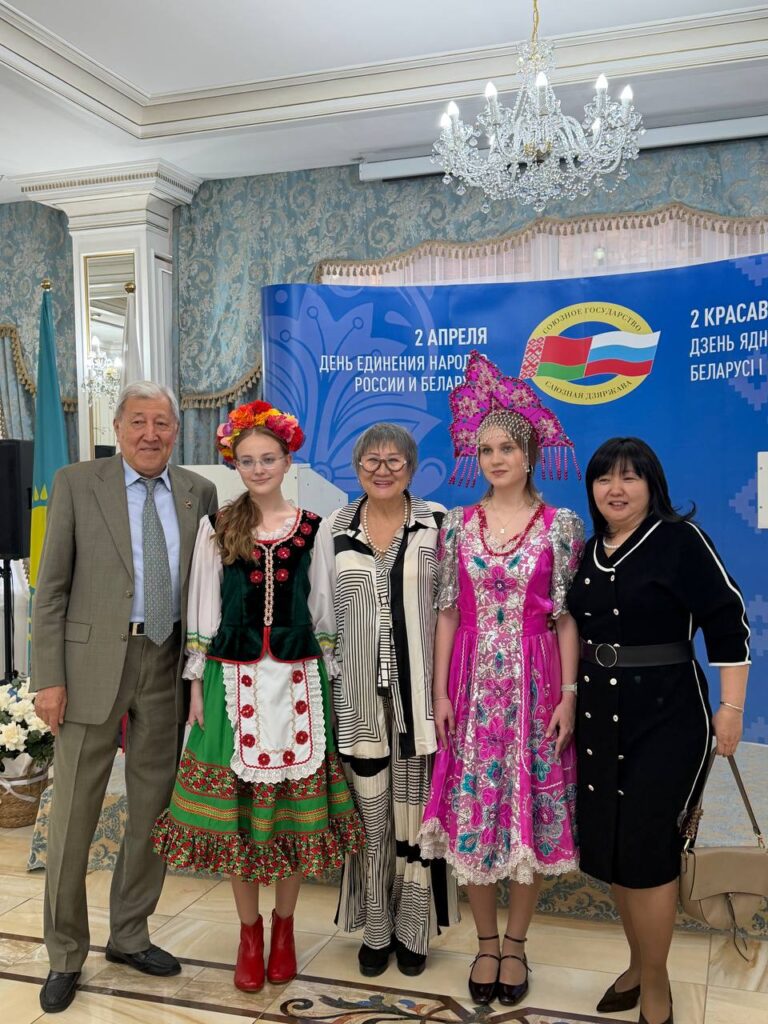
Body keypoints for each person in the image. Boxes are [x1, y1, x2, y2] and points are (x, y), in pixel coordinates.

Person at [151, 400, 364, 993]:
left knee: (292, 815)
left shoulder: (314, 529)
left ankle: (285, 927)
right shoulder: (217, 526)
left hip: (298, 684)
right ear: (235, 465)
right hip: (230, 683)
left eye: (269, 458)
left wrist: (330, 679)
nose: (259, 468)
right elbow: (203, 608)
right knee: (239, 818)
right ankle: (249, 932)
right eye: (248, 460)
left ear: (287, 461)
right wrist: (196, 685)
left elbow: (323, 610)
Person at [31, 381, 218, 1014]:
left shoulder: (199, 492)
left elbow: (207, 586)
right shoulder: (76, 483)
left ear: (176, 432)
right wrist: (48, 678)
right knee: (73, 817)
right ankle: (65, 952)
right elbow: (51, 590)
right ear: (118, 427)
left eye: (161, 423)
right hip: (88, 668)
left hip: (166, 665)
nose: (150, 434)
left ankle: (130, 934)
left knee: (153, 811)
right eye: (138, 421)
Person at [418, 352, 584, 1007]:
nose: (495, 459)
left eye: (507, 448)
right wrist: (439, 694)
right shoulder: (457, 525)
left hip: (537, 688)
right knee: (474, 818)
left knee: (528, 821)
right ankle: (484, 942)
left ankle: (516, 944)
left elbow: (567, 618)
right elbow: (447, 613)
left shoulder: (560, 525)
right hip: (472, 690)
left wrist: (569, 694)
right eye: (485, 449)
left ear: (530, 453)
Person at [567, 437, 750, 1024]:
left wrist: (731, 707)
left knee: (649, 850)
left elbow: (728, 620)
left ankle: (656, 982)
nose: (615, 489)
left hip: (668, 718)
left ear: (652, 484)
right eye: (604, 479)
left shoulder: (680, 540)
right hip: (599, 715)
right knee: (616, 847)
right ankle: (638, 961)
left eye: (630, 477)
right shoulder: (589, 550)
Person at [308, 423, 459, 979]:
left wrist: (446, 689)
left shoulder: (438, 523)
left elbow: (451, 611)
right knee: (370, 820)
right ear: (356, 468)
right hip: (357, 702)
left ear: (412, 468)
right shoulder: (334, 528)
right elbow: (321, 613)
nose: (382, 469)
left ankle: (413, 930)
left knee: (415, 821)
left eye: (395, 460)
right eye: (371, 460)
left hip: (421, 701)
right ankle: (376, 926)